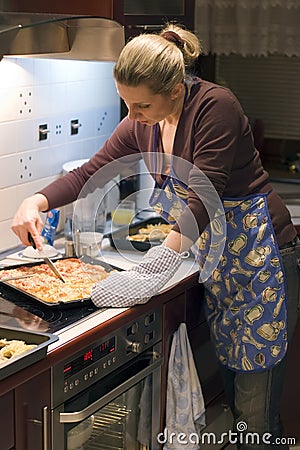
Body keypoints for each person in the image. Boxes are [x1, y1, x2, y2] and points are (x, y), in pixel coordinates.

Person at [11, 23, 300, 448]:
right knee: (235, 402)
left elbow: (206, 195)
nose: (132, 116)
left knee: (255, 412)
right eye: (126, 104)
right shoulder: (143, 123)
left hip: (262, 264)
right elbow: (92, 172)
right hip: (218, 267)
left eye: (141, 104)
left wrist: (155, 267)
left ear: (177, 90)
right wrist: (35, 201)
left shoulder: (214, 107)